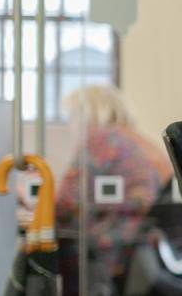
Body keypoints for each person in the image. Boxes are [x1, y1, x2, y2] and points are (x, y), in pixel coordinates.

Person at [54, 85, 175, 296]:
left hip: (110, 253)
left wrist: (27, 200)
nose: (70, 126)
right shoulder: (138, 140)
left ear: (86, 115)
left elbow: (64, 203)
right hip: (143, 249)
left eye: (71, 117)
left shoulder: (102, 141)